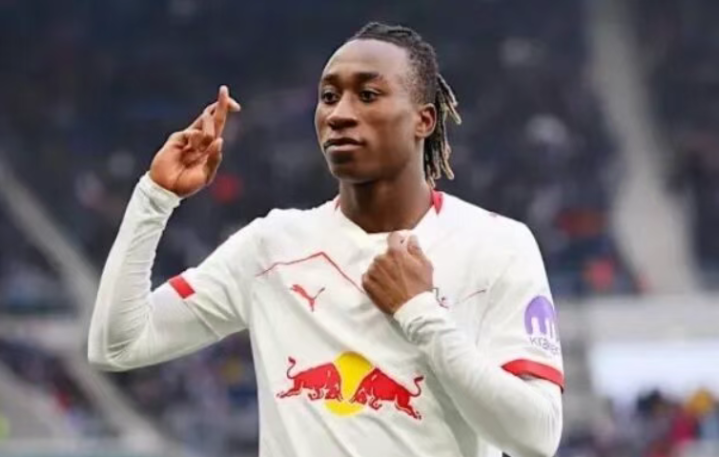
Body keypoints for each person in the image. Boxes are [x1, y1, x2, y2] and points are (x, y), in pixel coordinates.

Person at [88, 22, 564, 457]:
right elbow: (117, 345)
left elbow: (537, 436)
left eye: (368, 95)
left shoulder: (496, 245)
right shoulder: (272, 246)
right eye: (329, 96)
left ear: (424, 120)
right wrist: (155, 197)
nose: (339, 114)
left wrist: (421, 314)